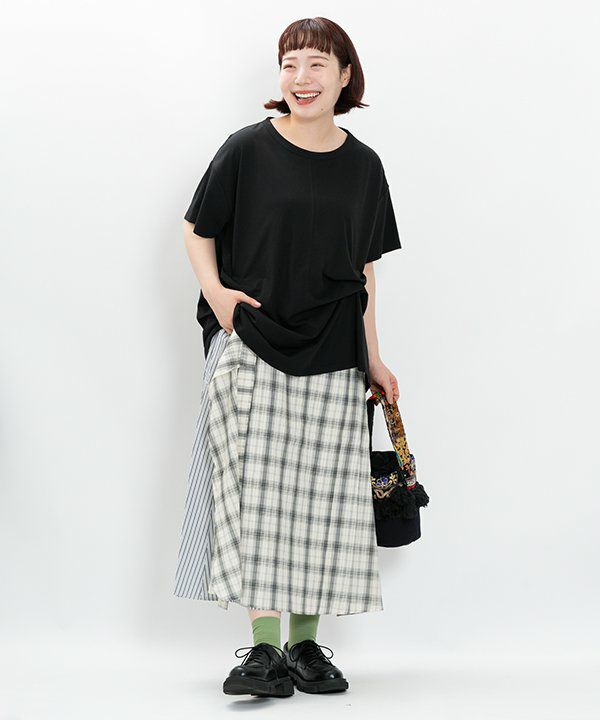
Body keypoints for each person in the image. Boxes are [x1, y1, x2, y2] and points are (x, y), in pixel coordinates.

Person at [174, 16, 402, 698]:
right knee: (252, 499)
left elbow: (363, 271)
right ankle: (264, 650)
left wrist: (375, 357)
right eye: (290, 64)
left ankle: (305, 646)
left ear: (345, 76)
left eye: (316, 64)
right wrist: (217, 296)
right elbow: (196, 229)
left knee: (321, 501)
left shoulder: (365, 166)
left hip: (334, 349)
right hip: (252, 341)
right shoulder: (247, 149)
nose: (301, 78)